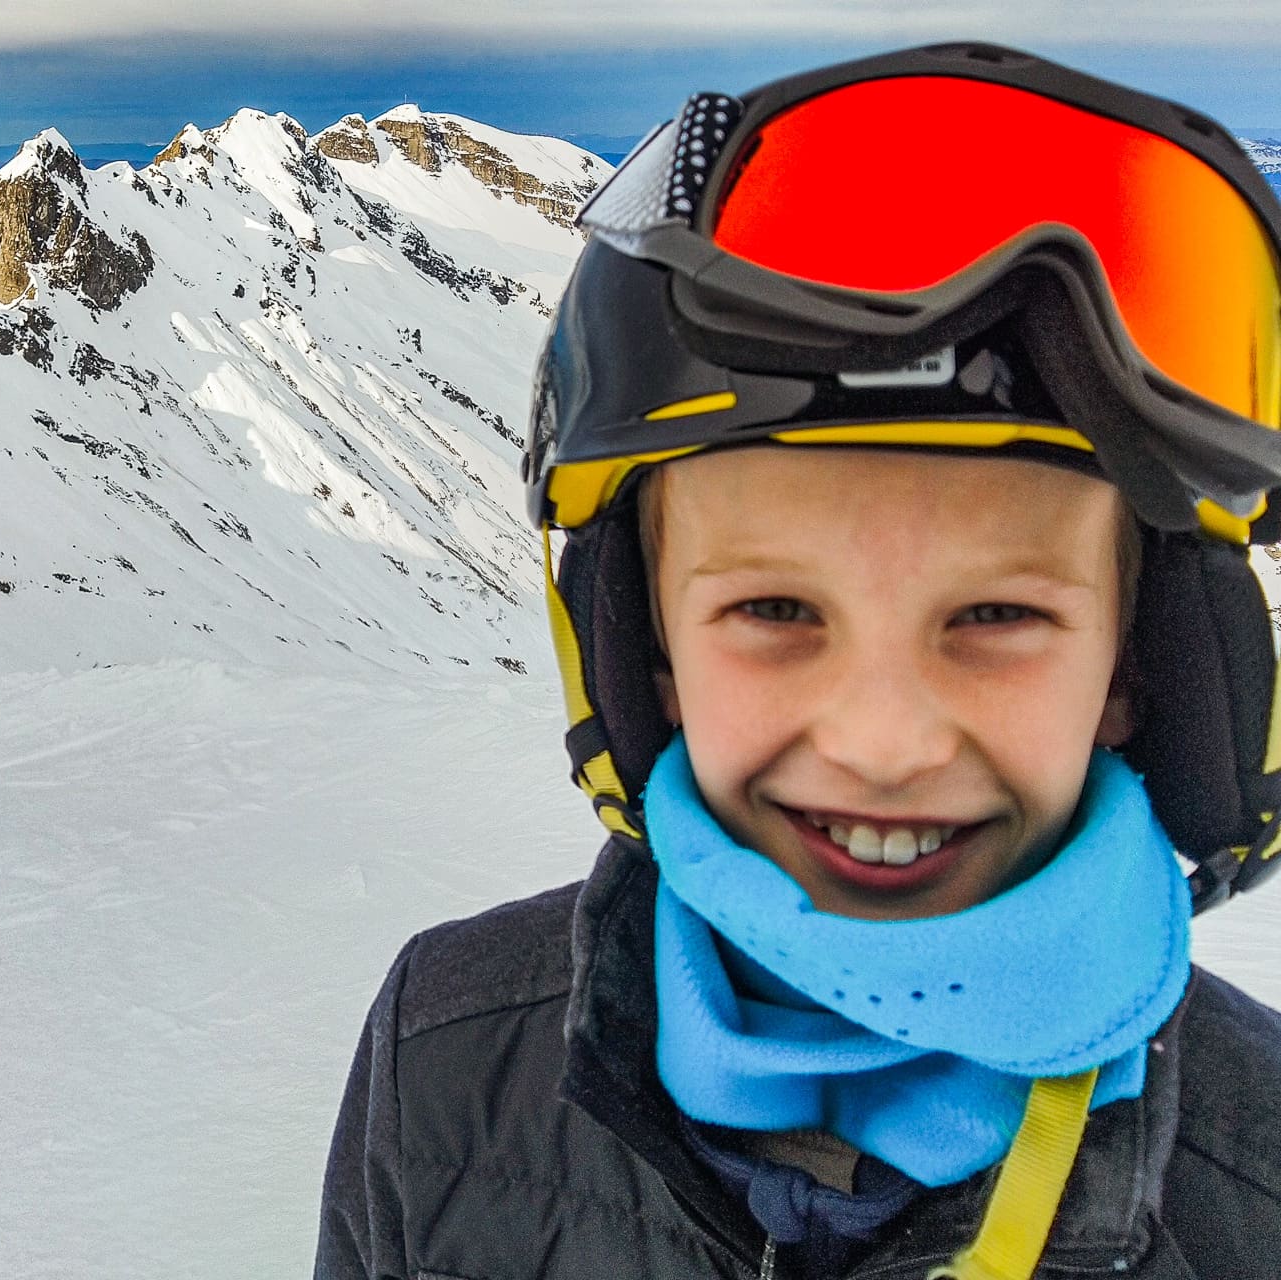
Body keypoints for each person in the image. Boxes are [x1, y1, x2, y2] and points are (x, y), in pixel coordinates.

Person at [315, 42, 1281, 1280]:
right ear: (642, 651)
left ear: (1135, 670)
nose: (881, 740)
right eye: (775, 607)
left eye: (993, 617)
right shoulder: (439, 1060)